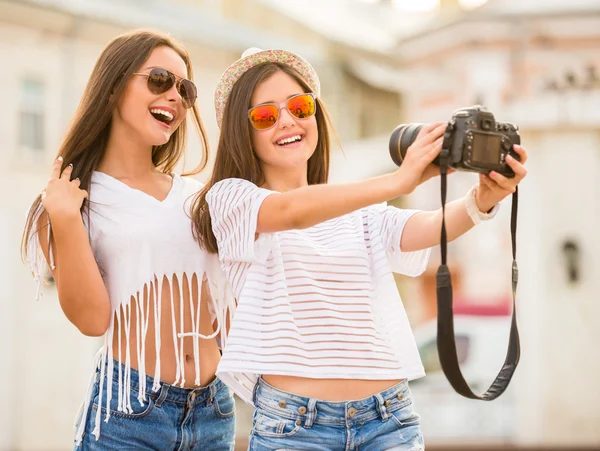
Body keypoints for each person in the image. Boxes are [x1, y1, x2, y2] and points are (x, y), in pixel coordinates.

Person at [22, 29, 236, 450]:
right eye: (159, 80)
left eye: (185, 89)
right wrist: (65, 221)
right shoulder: (74, 201)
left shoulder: (199, 196)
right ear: (114, 86)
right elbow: (91, 321)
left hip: (215, 411)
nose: (175, 96)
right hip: (129, 414)